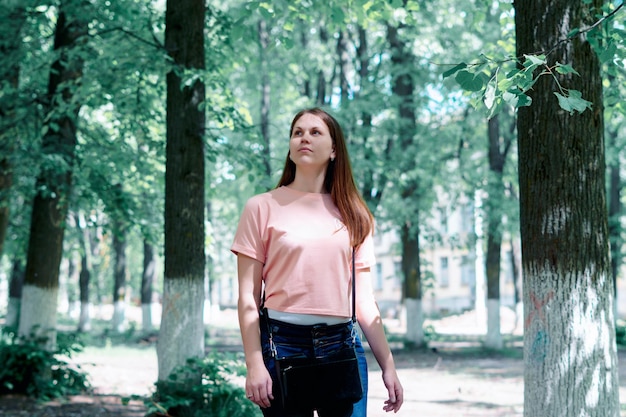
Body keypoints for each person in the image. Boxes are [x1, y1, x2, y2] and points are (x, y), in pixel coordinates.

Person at [231, 107, 404, 417]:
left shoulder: (355, 215)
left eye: (315, 132)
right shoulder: (261, 207)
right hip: (280, 345)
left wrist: (388, 366)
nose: (304, 138)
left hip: (342, 347)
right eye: (297, 132)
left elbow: (364, 300)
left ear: (334, 149)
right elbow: (247, 298)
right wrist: (254, 363)